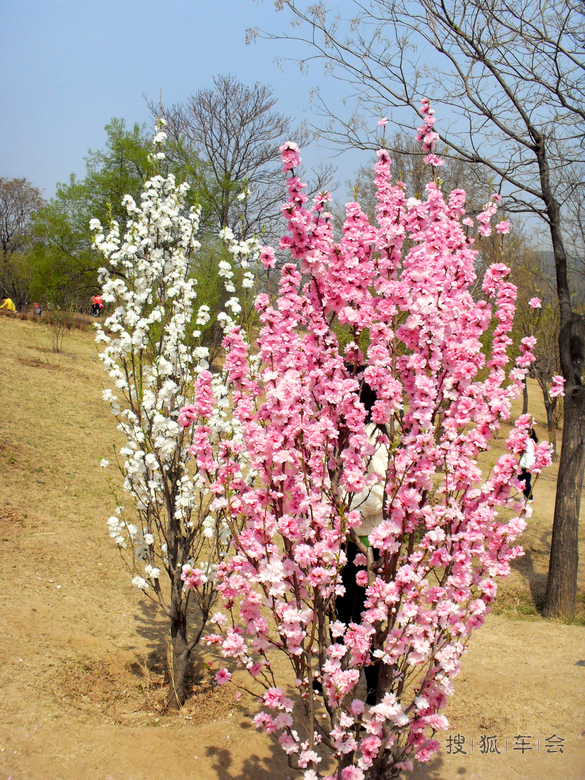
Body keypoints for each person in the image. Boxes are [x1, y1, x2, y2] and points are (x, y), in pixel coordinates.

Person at [334, 376, 388, 707]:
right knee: (342, 612)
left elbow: (377, 495)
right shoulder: (353, 437)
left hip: (366, 541)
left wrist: (344, 504)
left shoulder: (376, 440)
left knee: (362, 616)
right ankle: (338, 676)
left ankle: (371, 689)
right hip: (348, 537)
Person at [519, 428, 538, 501]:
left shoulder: (529, 443)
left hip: (527, 466)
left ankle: (529, 497)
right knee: (523, 481)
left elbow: (529, 455)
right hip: (526, 466)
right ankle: (526, 496)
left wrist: (527, 467)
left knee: (524, 482)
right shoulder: (530, 442)